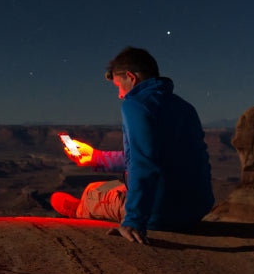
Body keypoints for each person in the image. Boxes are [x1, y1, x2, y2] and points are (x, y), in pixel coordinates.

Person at [51, 47, 214, 244]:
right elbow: (153, 154)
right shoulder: (184, 107)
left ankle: (82, 209)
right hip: (196, 209)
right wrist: (95, 157)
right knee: (108, 186)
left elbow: (142, 163)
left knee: (91, 192)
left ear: (131, 77)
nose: (120, 94)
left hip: (162, 214)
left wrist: (133, 220)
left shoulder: (136, 104)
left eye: (119, 86)